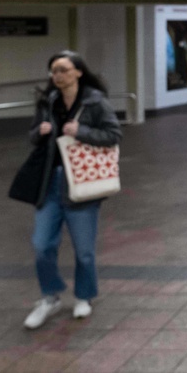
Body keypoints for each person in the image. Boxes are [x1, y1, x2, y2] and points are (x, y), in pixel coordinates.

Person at [23, 50, 122, 330]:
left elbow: (114, 135)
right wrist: (38, 133)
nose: (58, 76)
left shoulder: (94, 102)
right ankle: (50, 297)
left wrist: (82, 132)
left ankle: (84, 296)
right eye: (54, 71)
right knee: (42, 245)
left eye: (63, 70)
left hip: (82, 184)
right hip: (49, 183)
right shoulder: (47, 102)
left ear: (78, 72)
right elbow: (32, 137)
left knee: (84, 250)